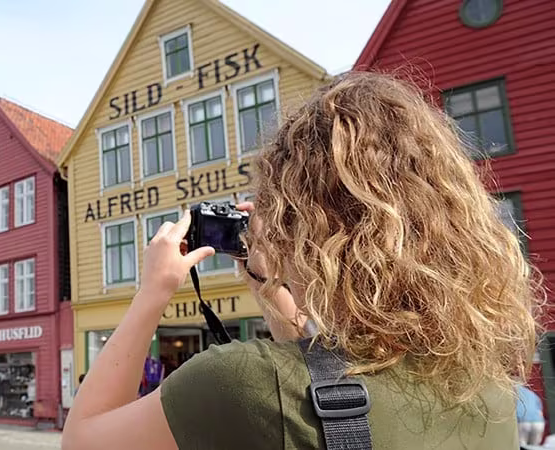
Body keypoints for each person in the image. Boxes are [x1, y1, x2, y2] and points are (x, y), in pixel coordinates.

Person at [61, 72, 541, 449]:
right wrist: (272, 290)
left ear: (306, 231)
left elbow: (84, 440)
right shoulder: (490, 391)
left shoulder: (238, 381)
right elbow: (325, 367)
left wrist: (152, 293)